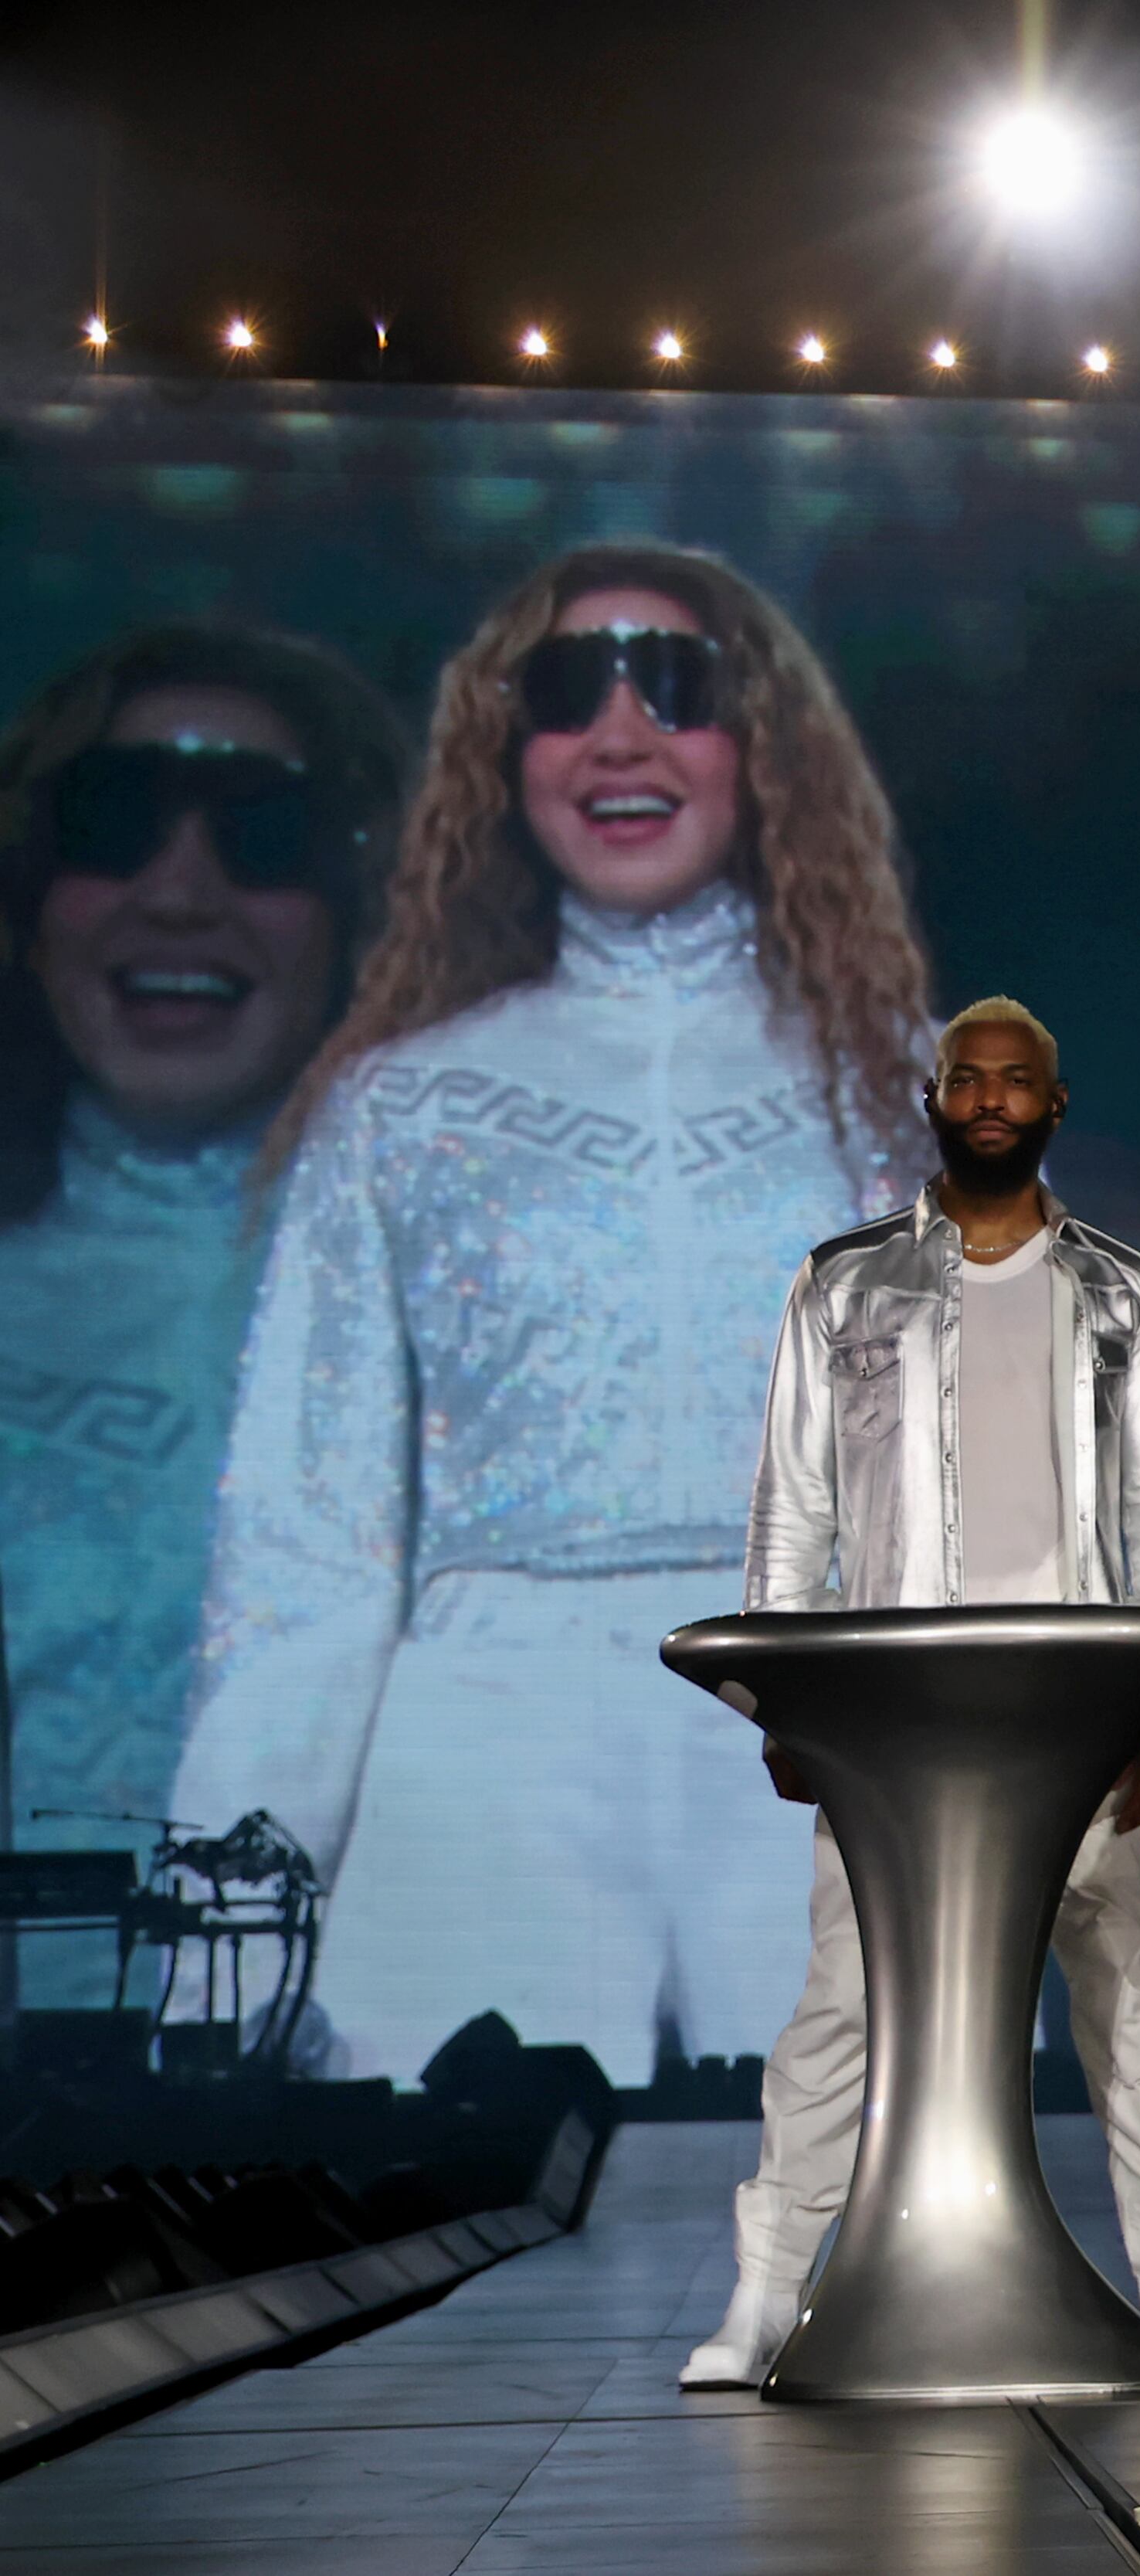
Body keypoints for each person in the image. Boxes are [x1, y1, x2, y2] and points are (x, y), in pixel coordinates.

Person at [173, 543, 933, 2085]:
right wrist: (212, 1946)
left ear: (762, 746)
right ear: (504, 756)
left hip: (834, 1731)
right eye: (567, 690)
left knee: (857, 2275)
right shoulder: (398, 1109)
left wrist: (1133, 1865)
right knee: (454, 2257)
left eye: (680, 686)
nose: (623, 733)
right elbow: (302, 1558)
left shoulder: (913, 1094)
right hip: (481, 1751)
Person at [680, 996, 1140, 2386]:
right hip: (903, 1730)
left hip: (1075, 1722)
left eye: (1019, 1082)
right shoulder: (845, 1282)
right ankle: (766, 2298)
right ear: (934, 1099)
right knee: (842, 2006)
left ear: (1055, 1107)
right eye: (969, 1079)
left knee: (1125, 2008)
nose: (992, 1099)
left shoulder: (1118, 1286)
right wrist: (785, 1700)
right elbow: (794, 1504)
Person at [0, 624, 402, 2007]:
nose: (179, 892)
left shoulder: (467, 1309)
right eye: (113, 823)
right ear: (29, 895)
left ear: (361, 914)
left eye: (264, 835)